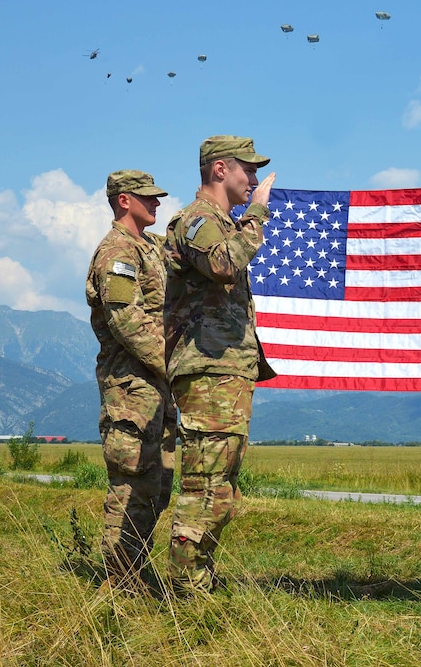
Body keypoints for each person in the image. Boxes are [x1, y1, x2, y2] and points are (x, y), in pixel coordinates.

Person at [162, 135, 277, 593]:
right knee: (204, 486)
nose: (252, 180)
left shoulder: (224, 224)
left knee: (222, 487)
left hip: (226, 372)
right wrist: (258, 213)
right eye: (247, 171)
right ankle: (185, 591)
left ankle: (197, 579)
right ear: (219, 170)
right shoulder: (195, 222)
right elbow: (224, 265)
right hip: (207, 372)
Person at [85, 169, 177, 592]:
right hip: (132, 388)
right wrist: (175, 363)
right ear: (124, 200)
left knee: (158, 484)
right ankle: (120, 583)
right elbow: (126, 320)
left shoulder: (150, 247)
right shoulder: (117, 252)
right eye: (148, 197)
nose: (157, 203)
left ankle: (135, 573)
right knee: (133, 485)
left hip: (158, 388)